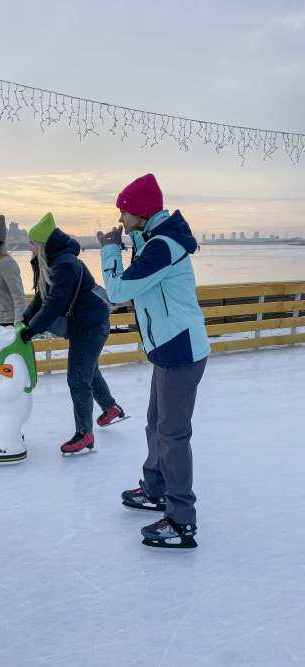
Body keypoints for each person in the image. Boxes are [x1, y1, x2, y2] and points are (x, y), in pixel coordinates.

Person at [97, 174, 210, 550]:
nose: (120, 221)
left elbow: (117, 291)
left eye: (124, 212)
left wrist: (111, 251)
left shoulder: (162, 247)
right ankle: (156, 489)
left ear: (141, 213)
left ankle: (181, 521)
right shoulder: (153, 243)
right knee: (155, 424)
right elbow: (134, 293)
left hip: (181, 350)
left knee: (173, 434)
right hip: (167, 348)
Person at [20, 212, 123, 454]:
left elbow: (55, 302)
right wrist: (24, 320)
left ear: (43, 244)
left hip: (91, 325)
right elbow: (42, 296)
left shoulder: (65, 264)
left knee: (77, 377)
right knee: (87, 370)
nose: (30, 249)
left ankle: (85, 433)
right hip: (88, 323)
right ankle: (110, 408)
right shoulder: (56, 262)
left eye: (32, 244)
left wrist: (33, 328)